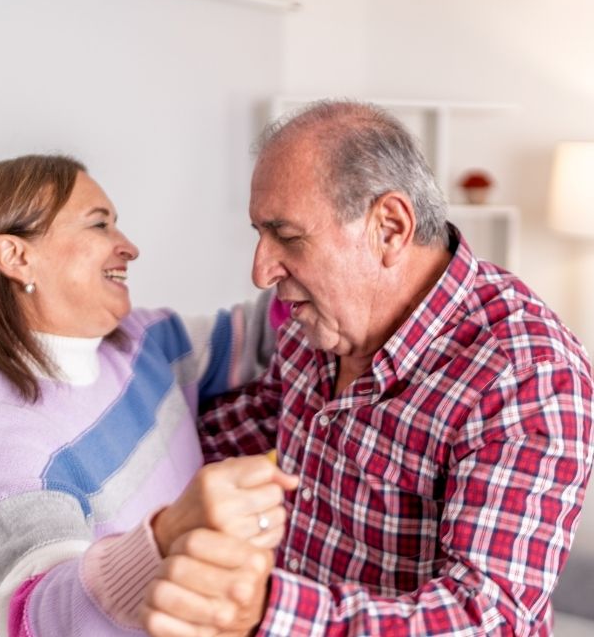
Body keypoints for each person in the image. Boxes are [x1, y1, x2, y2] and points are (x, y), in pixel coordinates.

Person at [141, 100, 594, 636]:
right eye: (259, 233)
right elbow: (258, 420)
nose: (261, 271)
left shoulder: (527, 376)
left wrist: (263, 611)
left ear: (390, 228)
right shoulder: (321, 322)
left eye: (287, 236)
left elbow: (486, 621)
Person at [0, 154, 298, 636]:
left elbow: (258, 337)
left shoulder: (140, 341)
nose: (129, 247)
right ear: (17, 257)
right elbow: (39, 619)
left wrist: (318, 254)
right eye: (99, 224)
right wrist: (164, 538)